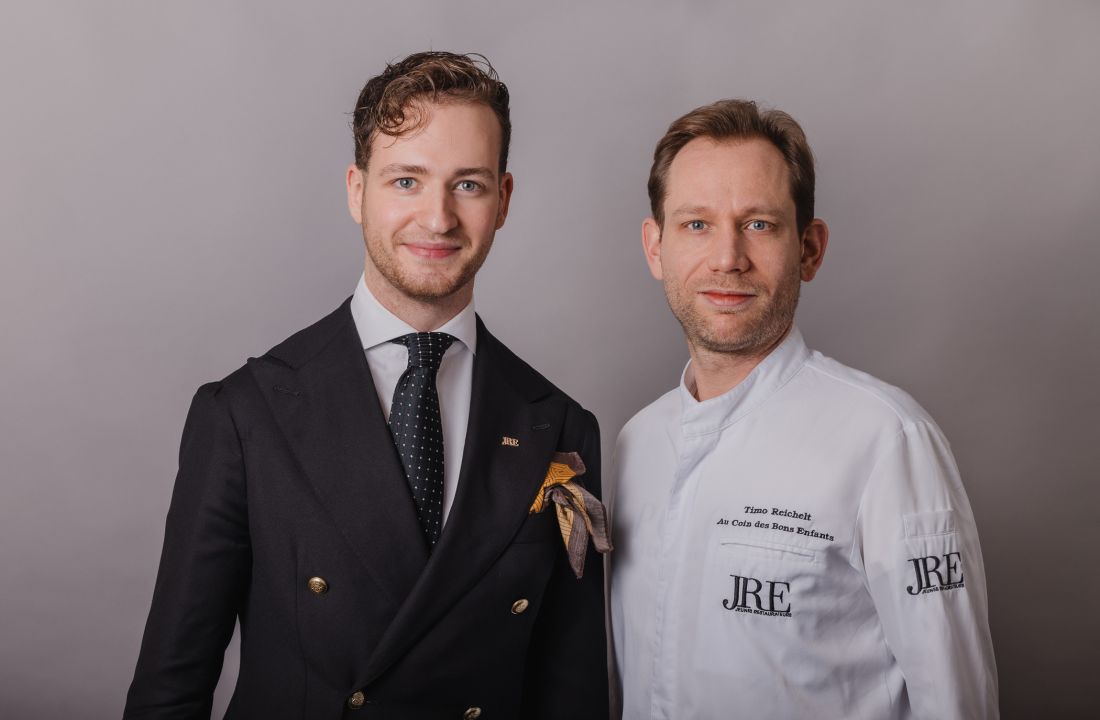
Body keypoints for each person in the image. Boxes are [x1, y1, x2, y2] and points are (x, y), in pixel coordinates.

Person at [125, 51, 610, 719]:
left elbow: (573, 694)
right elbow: (170, 689)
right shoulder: (244, 413)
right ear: (357, 191)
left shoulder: (559, 426)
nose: (437, 218)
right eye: (406, 180)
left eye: (468, 184)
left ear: (502, 200)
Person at [609, 99, 998, 719]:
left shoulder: (887, 439)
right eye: (696, 224)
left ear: (810, 249)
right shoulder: (638, 443)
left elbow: (955, 702)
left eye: (759, 224)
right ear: (656, 248)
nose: (728, 257)